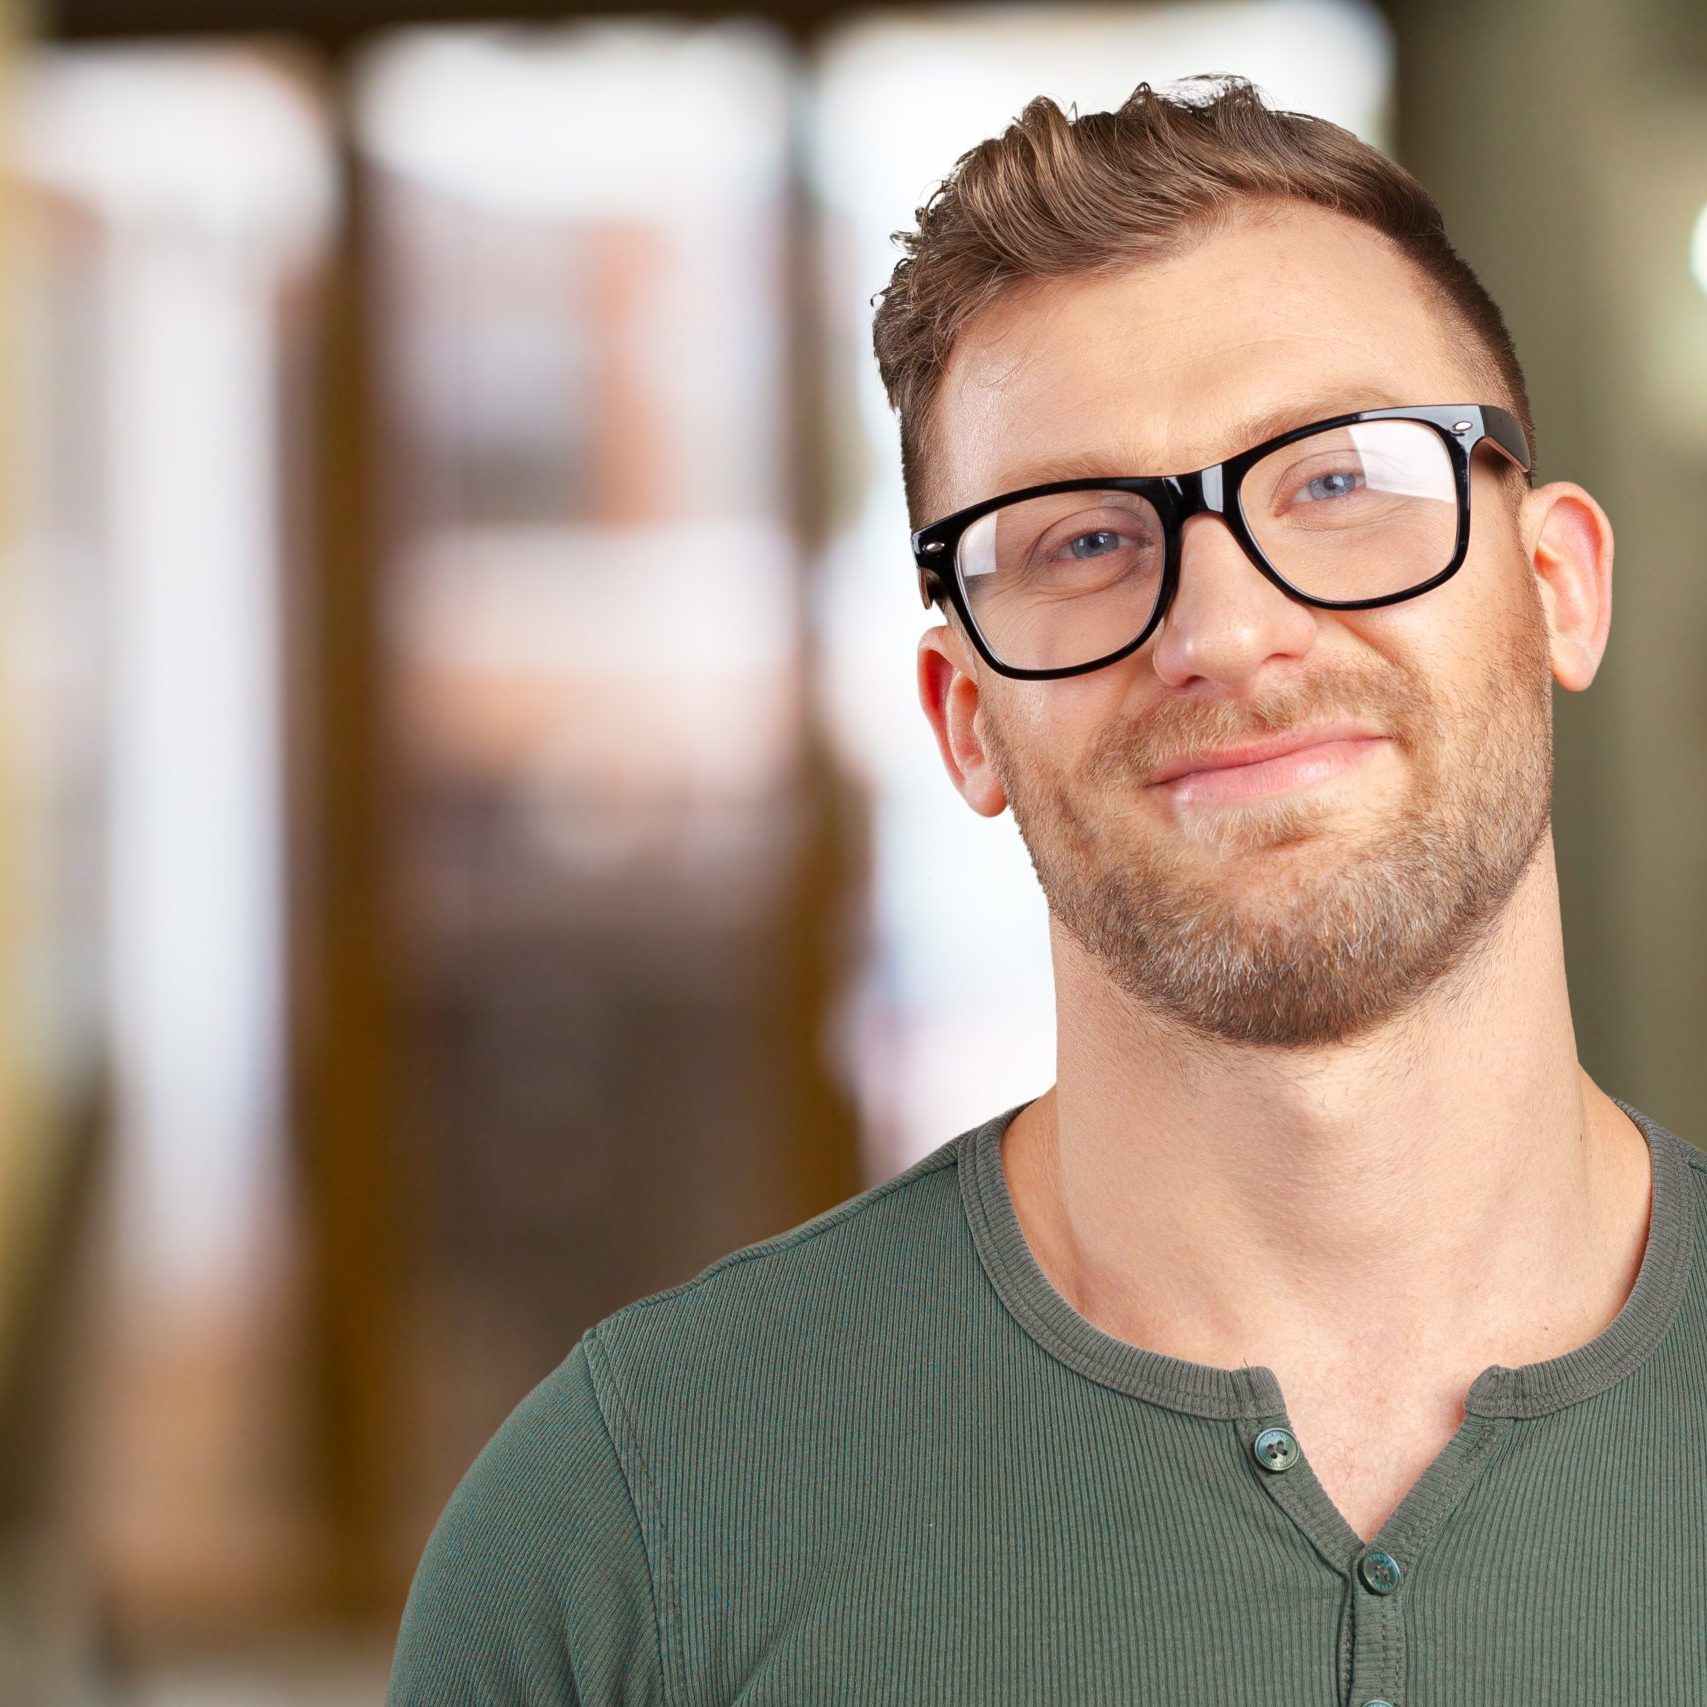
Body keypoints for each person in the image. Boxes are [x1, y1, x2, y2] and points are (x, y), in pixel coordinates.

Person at [387, 76, 1707, 1705]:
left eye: (1341, 481)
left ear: (1557, 589)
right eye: (1083, 541)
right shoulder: (631, 1527)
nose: (1223, 631)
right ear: (967, 721)